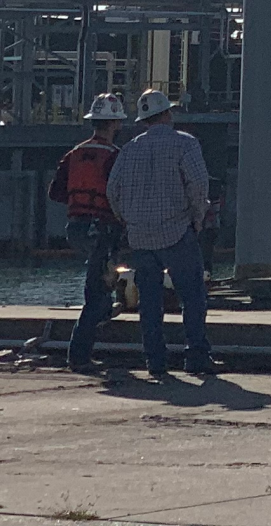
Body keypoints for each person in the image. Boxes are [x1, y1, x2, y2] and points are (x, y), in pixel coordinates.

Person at [106, 89, 217, 376]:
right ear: (168, 113)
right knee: (192, 297)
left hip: (140, 237)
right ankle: (196, 357)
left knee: (149, 302)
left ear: (143, 120)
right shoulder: (186, 143)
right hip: (177, 230)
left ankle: (155, 361)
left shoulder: (129, 149)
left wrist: (128, 220)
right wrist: (197, 217)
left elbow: (112, 190)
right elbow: (198, 185)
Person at [49, 93, 128, 374]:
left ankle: (104, 311)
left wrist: (78, 200)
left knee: (98, 281)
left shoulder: (75, 153)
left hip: (76, 227)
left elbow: (55, 192)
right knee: (97, 291)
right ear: (115, 123)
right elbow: (120, 194)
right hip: (102, 228)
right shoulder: (114, 155)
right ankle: (79, 354)